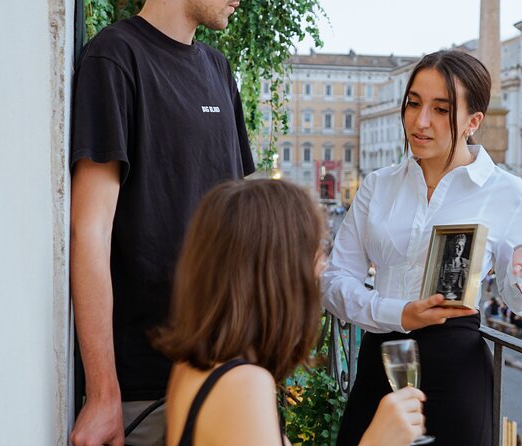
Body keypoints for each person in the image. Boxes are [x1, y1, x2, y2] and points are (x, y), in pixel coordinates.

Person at [322, 50, 522, 446]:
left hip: (455, 366)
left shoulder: (507, 192)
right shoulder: (377, 185)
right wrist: (397, 312)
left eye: (441, 110)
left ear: (473, 122)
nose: (420, 121)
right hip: (382, 354)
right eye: (413, 104)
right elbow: (335, 281)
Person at [69, 1, 255, 444]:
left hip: (223, 374)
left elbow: (237, 223)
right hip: (146, 393)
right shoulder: (115, 56)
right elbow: (89, 230)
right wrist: (102, 393)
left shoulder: (218, 68)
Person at [152, 180, 427, 446]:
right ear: (277, 271)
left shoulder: (194, 364)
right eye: (315, 251)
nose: (322, 267)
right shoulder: (243, 385)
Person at [436, 234, 470, 300]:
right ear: (451, 247)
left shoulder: (467, 264)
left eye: (462, 246)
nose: (460, 249)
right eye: (457, 246)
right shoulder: (442, 266)